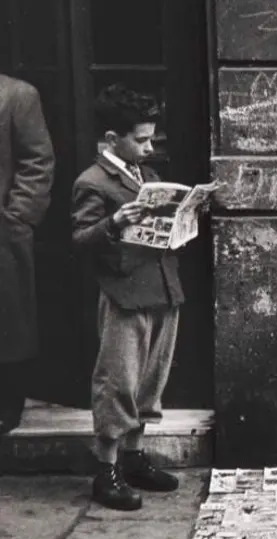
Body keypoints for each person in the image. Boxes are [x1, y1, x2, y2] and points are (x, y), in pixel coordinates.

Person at [70, 83, 183, 511]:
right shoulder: (92, 182)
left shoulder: (147, 177)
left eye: (151, 138)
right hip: (123, 295)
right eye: (141, 139)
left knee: (150, 382)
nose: (150, 147)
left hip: (161, 288)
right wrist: (114, 222)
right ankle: (107, 471)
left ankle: (134, 458)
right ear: (112, 139)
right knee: (118, 382)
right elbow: (80, 240)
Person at [0, 73, 56, 434]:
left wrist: (16, 218)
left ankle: (5, 408)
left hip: (2, 236)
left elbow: (38, 163)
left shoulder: (17, 95)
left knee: (7, 326)